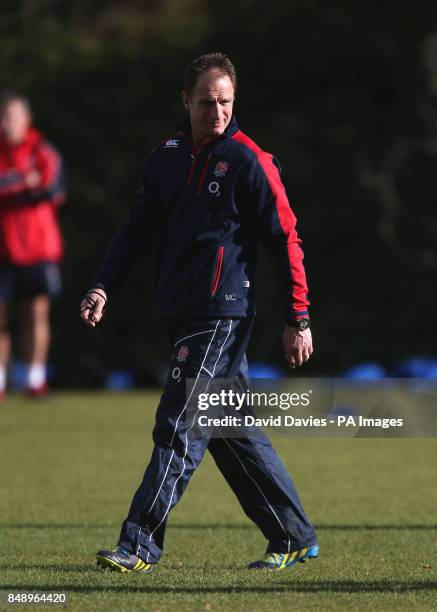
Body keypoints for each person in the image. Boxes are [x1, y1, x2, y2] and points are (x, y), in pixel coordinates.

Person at [81, 52, 318, 573]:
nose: (218, 112)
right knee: (231, 431)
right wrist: (102, 285)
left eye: (226, 102)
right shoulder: (164, 157)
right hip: (182, 311)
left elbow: (287, 239)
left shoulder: (251, 160)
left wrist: (298, 316)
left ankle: (139, 544)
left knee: (180, 423)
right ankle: (292, 536)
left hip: (223, 312)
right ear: (185, 100)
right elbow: (135, 230)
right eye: (208, 101)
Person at [0, 92, 65, 398]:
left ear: (26, 120)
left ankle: (34, 379)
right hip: (4, 247)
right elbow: (29, 186)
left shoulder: (42, 150)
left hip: (38, 247)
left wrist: (20, 185)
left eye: (10, 116)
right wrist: (25, 181)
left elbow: (52, 188)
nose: (5, 123)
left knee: (36, 315)